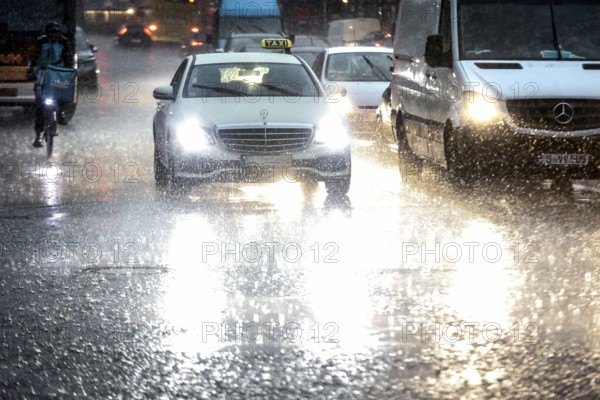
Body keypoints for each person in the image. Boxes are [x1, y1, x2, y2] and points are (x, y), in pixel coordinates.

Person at [31, 22, 74, 148]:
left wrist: (69, 71)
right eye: (51, 32)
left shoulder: (64, 42)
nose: (53, 35)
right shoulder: (41, 42)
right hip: (42, 74)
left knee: (63, 93)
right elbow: (34, 57)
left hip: (57, 73)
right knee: (39, 105)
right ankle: (38, 135)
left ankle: (61, 113)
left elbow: (69, 59)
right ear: (47, 32)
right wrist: (31, 69)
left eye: (56, 32)